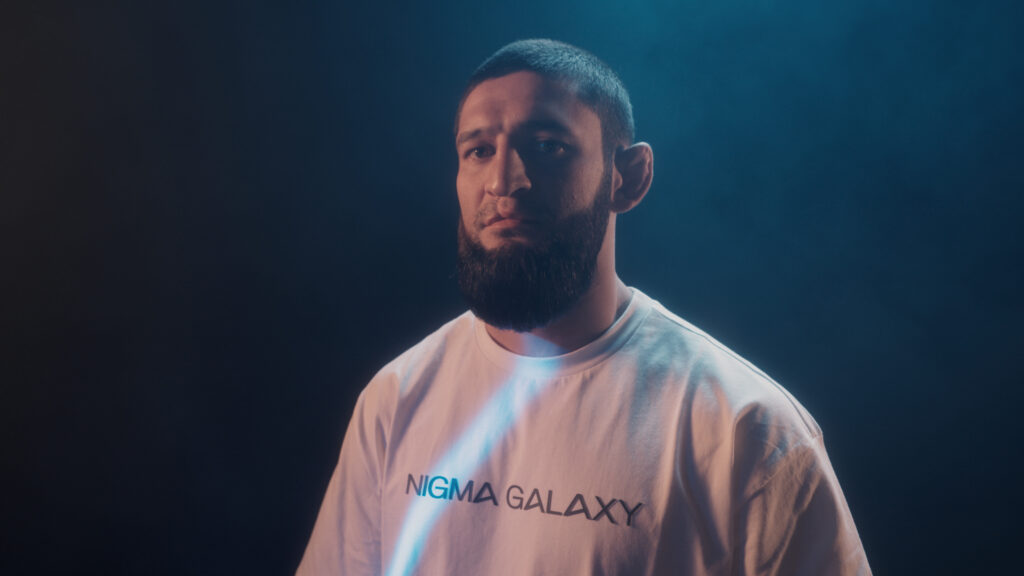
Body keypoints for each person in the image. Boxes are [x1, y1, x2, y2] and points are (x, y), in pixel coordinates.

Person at [297, 39, 871, 576]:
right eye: (479, 151)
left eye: (548, 146)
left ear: (628, 177)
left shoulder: (746, 430)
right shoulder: (397, 398)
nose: (504, 181)